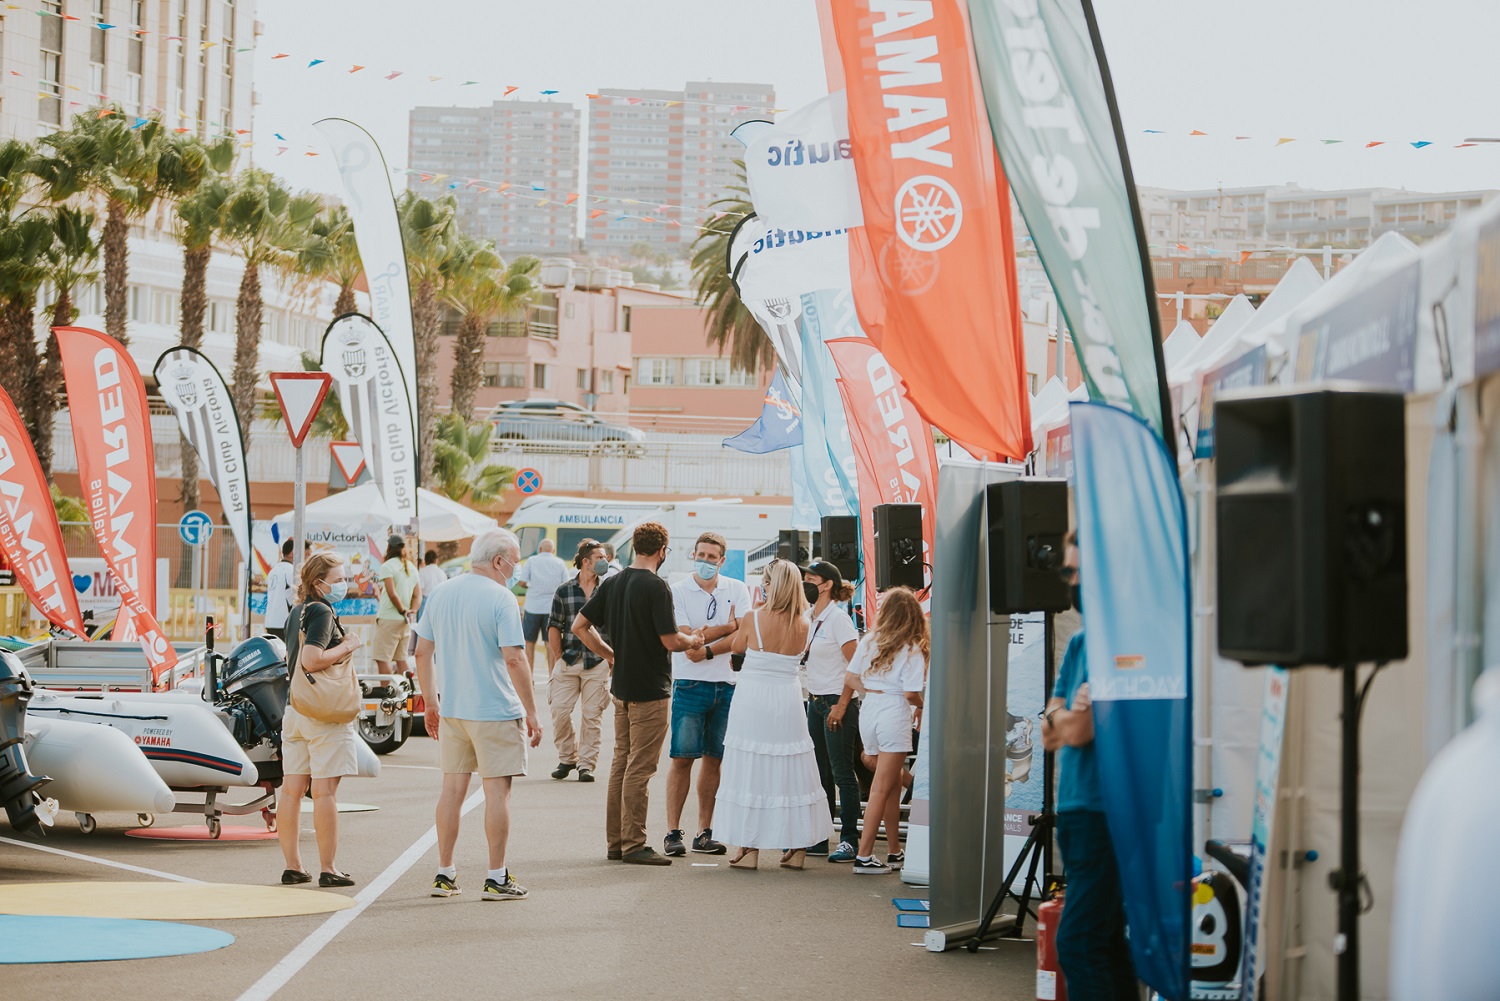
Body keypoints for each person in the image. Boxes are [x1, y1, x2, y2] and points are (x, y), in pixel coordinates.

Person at [414, 528, 544, 902]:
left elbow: (423, 653)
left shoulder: (441, 593)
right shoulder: (501, 597)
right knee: (497, 794)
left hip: (454, 708)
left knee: (451, 792)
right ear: (500, 561)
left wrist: (432, 702)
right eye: (515, 563)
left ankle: (444, 872)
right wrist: (532, 712)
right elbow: (515, 658)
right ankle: (495, 876)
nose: (516, 570)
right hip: (495, 710)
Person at [572, 521, 704, 866]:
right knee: (640, 769)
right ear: (662, 550)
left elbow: (579, 626)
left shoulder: (613, 582)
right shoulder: (657, 586)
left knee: (621, 764)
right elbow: (670, 640)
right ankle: (634, 843)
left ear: (634, 546)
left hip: (623, 686)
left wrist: (610, 654)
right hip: (650, 688)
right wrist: (693, 640)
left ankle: (616, 842)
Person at [1042, 539, 1138, 998]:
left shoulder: (1124, 640)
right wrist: (1063, 714)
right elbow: (1051, 731)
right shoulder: (1082, 641)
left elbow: (1074, 732)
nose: (1072, 581)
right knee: (1102, 940)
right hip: (1078, 811)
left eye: (1077, 571)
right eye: (1068, 572)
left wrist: (1061, 715)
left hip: (1108, 811)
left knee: (1078, 942)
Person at [713, 559, 826, 870]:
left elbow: (737, 646)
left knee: (751, 767)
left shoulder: (753, 617)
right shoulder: (804, 622)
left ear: (771, 585)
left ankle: (749, 848)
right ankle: (799, 846)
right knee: (791, 769)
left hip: (754, 698)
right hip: (787, 699)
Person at [277, 552, 363, 888]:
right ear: (318, 582)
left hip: (295, 709)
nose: (343, 584)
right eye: (338, 579)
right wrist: (348, 645)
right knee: (325, 793)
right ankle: (329, 868)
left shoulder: (297, 611)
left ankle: (293, 866)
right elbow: (313, 660)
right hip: (323, 714)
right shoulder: (323, 611)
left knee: (291, 791)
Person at [663, 532, 751, 857]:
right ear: (693, 555)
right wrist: (727, 628)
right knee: (682, 759)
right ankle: (672, 832)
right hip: (688, 684)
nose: (706, 561)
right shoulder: (678, 591)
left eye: (712, 557)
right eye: (701, 555)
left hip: (726, 684)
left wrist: (710, 648)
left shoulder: (737, 589)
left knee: (715, 760)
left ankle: (704, 831)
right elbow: (686, 639)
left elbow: (744, 632)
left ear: (722, 560)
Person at [846, 586, 928, 874]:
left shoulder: (869, 640)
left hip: (869, 709)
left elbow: (851, 677)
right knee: (881, 788)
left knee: (890, 783)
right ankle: (865, 856)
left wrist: (872, 689)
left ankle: (894, 850)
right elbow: (910, 694)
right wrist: (925, 705)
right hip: (894, 712)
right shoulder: (912, 648)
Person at [800, 561, 862, 862]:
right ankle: (820, 837)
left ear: (826, 585)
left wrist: (842, 704)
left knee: (842, 773)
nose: (805, 583)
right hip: (815, 702)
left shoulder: (838, 620)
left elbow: (856, 666)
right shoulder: (809, 617)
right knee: (820, 773)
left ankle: (849, 839)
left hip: (838, 702)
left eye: (810, 579)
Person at [545, 540, 612, 782]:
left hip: (598, 662)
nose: (606, 561)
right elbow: (554, 625)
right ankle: (567, 758)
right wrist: (558, 655)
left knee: (592, 716)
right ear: (586, 561)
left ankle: (586, 765)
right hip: (569, 660)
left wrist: (611, 657)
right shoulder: (564, 590)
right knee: (559, 711)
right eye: (601, 557)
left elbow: (614, 626)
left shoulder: (609, 589)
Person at [516, 538, 570, 671]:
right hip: (552, 609)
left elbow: (522, 582)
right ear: (554, 550)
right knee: (550, 643)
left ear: (540, 549)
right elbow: (566, 585)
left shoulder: (532, 561)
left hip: (532, 607)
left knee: (529, 643)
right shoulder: (559, 563)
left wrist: (532, 586)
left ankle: (530, 675)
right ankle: (551, 676)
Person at [374, 535, 421, 677]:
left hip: (389, 619)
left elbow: (392, 593)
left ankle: (386, 691)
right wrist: (412, 611)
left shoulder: (387, 566)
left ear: (389, 547)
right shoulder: (411, 567)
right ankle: (408, 691)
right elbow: (418, 595)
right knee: (401, 660)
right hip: (405, 621)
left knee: (382, 659)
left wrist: (402, 610)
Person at [263, 538, 296, 643]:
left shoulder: (273, 570)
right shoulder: (291, 570)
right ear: (292, 553)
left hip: (271, 621)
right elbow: (295, 595)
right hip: (283, 623)